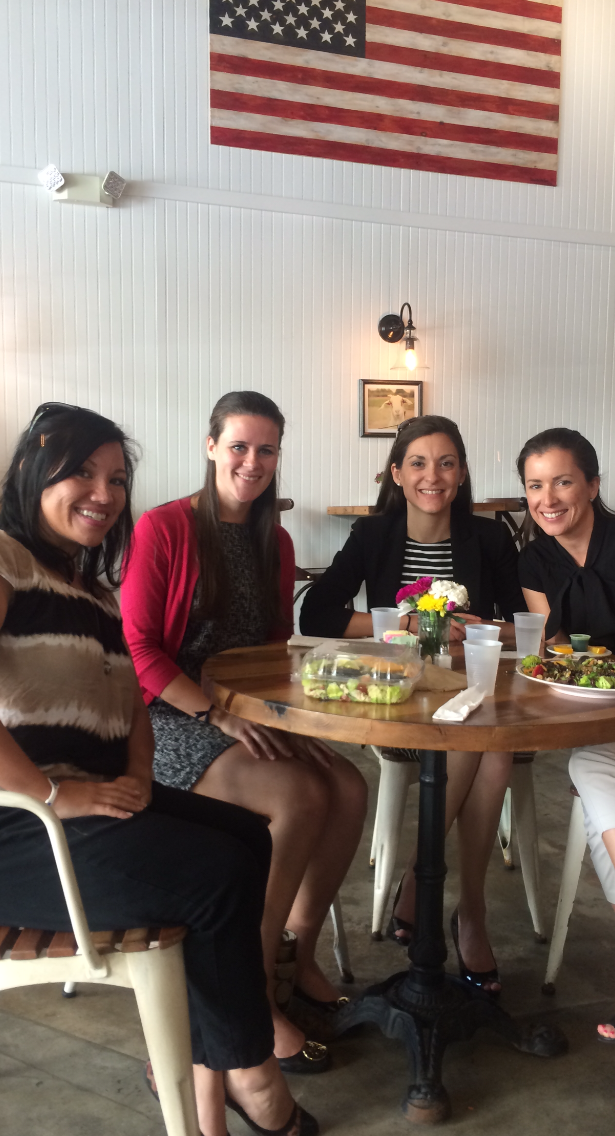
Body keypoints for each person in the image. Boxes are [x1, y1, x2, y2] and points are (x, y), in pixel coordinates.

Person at [0, 402, 317, 1136]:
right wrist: (54, 793)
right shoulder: (7, 560)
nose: (104, 494)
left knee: (247, 838)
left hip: (81, 804)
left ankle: (216, 1073)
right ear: (33, 473)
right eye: (82, 473)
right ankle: (251, 1076)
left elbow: (132, 705)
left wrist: (142, 774)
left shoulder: (86, 587)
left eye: (116, 479)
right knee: (214, 875)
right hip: (20, 828)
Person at [121, 390, 367, 1069]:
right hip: (168, 714)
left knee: (348, 787)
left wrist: (288, 717)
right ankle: (251, 989)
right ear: (211, 447)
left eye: (266, 450)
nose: (251, 462)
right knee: (299, 796)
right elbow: (140, 649)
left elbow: (274, 646)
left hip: (244, 710)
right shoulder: (163, 527)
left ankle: (298, 956)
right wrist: (215, 713)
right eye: (238, 446)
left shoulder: (275, 540)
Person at [301, 414, 527, 993]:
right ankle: (459, 909)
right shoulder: (374, 535)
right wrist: (403, 623)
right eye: (419, 463)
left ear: (463, 473)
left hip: (475, 691)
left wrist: (477, 627)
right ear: (397, 473)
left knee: (492, 748)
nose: (434, 476)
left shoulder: (489, 538)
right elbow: (317, 613)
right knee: (488, 746)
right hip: (398, 695)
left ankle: (449, 899)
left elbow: (522, 624)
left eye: (447, 463)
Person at [517, 426, 615, 1065]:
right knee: (592, 767)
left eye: (563, 481)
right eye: (535, 485)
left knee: (595, 791)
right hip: (607, 722)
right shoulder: (536, 561)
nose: (548, 499)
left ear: (593, 484)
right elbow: (555, 650)